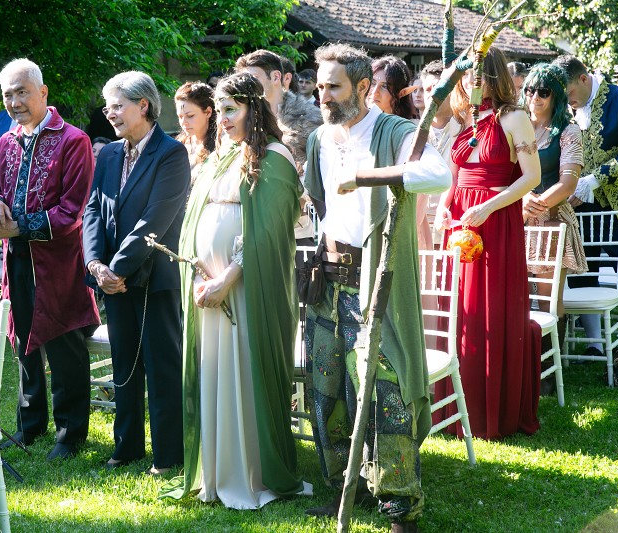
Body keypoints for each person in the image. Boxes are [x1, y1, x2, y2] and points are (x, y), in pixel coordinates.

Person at [302, 43, 451, 533]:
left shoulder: (393, 130)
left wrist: (365, 177)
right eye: (319, 86)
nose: (322, 95)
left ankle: (398, 506)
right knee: (327, 390)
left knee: (385, 391)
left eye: (333, 86)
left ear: (364, 87)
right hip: (328, 283)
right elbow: (321, 202)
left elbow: (438, 174)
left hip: (375, 285)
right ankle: (347, 487)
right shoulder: (319, 139)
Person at [160, 72, 311, 508]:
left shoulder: (274, 156)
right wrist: (197, 274)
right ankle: (216, 470)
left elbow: (269, 230)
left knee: (244, 369)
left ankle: (250, 472)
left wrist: (228, 279)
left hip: (247, 288)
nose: (223, 118)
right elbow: (195, 217)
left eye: (232, 109)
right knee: (213, 368)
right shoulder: (220, 156)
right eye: (221, 109)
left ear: (253, 109)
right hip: (207, 283)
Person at [0, 58, 99, 461]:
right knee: (23, 341)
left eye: (22, 92)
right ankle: (29, 424)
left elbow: (72, 211)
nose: (15, 102)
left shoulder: (73, 140)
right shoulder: (6, 141)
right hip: (16, 258)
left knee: (64, 343)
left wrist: (18, 227)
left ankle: (71, 432)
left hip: (59, 263)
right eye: (8, 95)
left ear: (42, 92)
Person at [83, 71, 189, 474]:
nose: (109, 113)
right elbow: (93, 209)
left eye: (117, 105)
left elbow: (154, 221)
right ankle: (126, 447)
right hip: (114, 280)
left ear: (143, 105)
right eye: (107, 106)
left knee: (161, 368)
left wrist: (116, 270)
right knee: (123, 364)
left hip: (155, 279)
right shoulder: (109, 154)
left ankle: (168, 454)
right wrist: (96, 265)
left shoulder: (171, 153)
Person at [434, 47, 542, 440]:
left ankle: (490, 412)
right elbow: (453, 176)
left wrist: (489, 207)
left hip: (496, 223)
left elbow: (531, 177)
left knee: (491, 310)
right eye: (465, 75)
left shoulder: (514, 118)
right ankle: (453, 407)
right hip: (459, 223)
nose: (470, 82)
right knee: (459, 310)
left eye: (477, 75)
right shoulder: (465, 120)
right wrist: (443, 208)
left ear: (493, 76)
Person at [553, 54, 618, 359]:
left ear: (584, 79)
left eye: (569, 92)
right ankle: (595, 344)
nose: (567, 101)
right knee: (582, 267)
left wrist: (594, 180)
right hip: (580, 205)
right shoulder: (565, 111)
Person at [519, 62, 588, 394]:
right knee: (518, 296)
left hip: (553, 222)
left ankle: (547, 374)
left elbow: (568, 183)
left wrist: (535, 205)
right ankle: (521, 367)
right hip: (516, 221)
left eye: (543, 92)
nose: (535, 97)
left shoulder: (569, 131)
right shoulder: (517, 126)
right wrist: (519, 203)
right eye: (530, 90)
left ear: (557, 95)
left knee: (548, 300)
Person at [235, 50, 322, 170]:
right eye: (243, 80)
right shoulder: (239, 121)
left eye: (253, 79)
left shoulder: (312, 120)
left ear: (276, 77)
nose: (246, 86)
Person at [417, 60, 459, 249]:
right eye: (428, 89)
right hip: (417, 226)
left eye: (439, 88)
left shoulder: (467, 131)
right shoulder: (410, 131)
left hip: (452, 224)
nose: (433, 94)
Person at [174, 81, 216, 184]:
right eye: (180, 116)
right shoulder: (179, 144)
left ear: (208, 112)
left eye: (190, 116)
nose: (183, 122)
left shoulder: (220, 146)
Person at [368, 55, 419, 120]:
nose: (374, 92)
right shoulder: (356, 122)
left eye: (385, 86)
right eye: (373, 83)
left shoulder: (407, 125)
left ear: (402, 93)